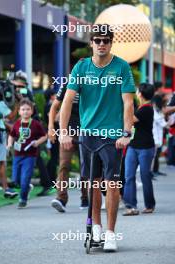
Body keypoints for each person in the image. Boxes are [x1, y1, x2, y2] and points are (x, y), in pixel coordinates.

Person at [58, 24, 135, 251]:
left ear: (111, 43)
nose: (102, 44)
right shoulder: (81, 67)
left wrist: (126, 133)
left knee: (111, 184)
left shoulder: (121, 67)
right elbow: (66, 101)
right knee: (92, 183)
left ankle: (111, 233)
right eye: (98, 40)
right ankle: (97, 228)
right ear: (91, 43)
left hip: (112, 135)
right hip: (88, 134)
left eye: (106, 40)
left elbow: (128, 102)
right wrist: (64, 131)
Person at [48, 85, 88, 212]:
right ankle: (61, 199)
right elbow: (54, 107)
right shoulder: (67, 84)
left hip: (87, 131)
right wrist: (51, 129)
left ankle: (85, 198)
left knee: (85, 166)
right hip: (67, 131)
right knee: (64, 164)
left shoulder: (94, 82)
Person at [7, 99, 47, 208]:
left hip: (30, 156)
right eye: (23, 109)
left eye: (28, 109)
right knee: (15, 179)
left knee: (25, 179)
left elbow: (44, 135)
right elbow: (11, 135)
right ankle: (26, 188)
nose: (25, 112)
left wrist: (37, 142)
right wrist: (9, 144)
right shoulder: (17, 124)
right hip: (17, 155)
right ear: (19, 111)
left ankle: (23, 199)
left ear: (32, 111)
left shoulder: (35, 124)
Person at [123, 83, 156, 216]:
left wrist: (127, 104)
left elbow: (129, 120)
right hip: (133, 146)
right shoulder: (140, 107)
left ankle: (149, 205)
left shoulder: (147, 109)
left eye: (137, 91)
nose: (135, 93)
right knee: (129, 176)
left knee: (145, 176)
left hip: (146, 148)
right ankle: (131, 206)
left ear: (140, 94)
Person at [0, 86, 18, 198]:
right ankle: (6, 189)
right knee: (1, 162)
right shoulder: (0, 104)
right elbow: (11, 116)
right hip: (0, 135)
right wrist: (17, 103)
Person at [152, 95, 167, 176]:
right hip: (155, 137)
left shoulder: (157, 111)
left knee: (156, 155)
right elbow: (163, 123)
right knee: (154, 156)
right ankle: (152, 171)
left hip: (158, 137)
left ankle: (155, 170)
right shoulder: (154, 111)